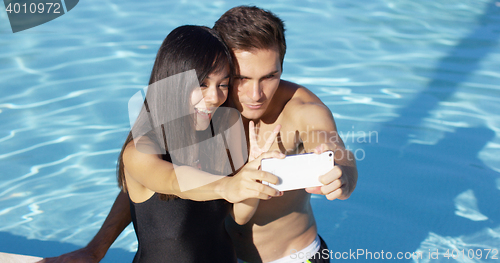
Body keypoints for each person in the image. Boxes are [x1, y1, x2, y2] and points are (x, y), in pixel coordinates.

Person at [41, 6, 358, 263]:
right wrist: (96, 248)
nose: (255, 94)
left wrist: (342, 175)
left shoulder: (301, 110)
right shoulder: (202, 108)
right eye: (239, 78)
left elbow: (332, 148)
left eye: (270, 76)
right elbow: (148, 181)